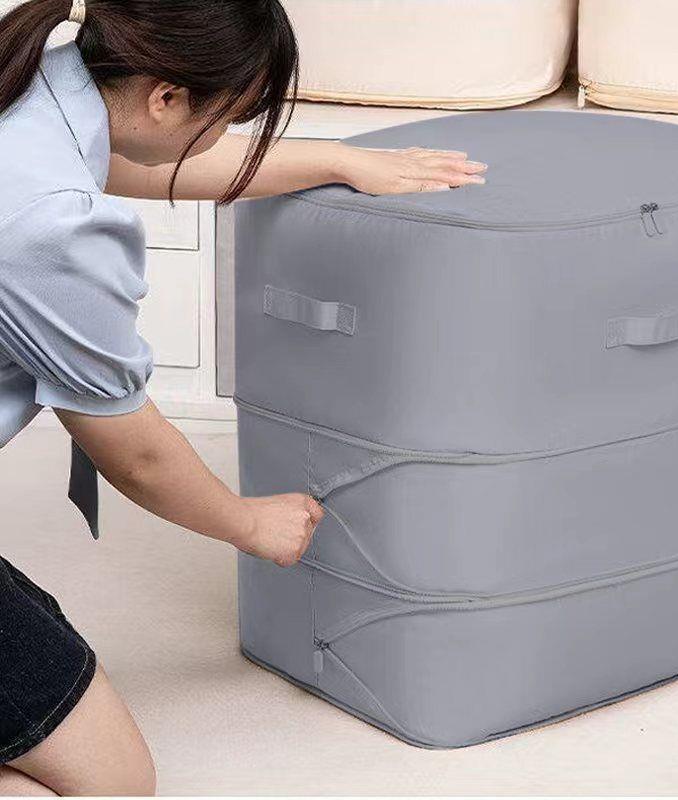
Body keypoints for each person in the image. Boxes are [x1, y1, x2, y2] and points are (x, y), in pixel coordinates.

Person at [0, 0, 488, 794]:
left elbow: (138, 158)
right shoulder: (47, 225)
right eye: (227, 119)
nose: (227, 135)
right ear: (165, 96)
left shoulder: (29, 83)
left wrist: (337, 160)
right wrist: (249, 522)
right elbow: (136, 453)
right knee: (111, 782)